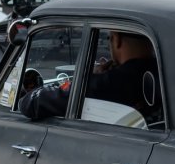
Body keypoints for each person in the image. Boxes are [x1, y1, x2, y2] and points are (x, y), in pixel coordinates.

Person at [21, 30, 161, 125]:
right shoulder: (163, 72)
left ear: (116, 39)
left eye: (109, 39)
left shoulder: (109, 82)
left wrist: (90, 77)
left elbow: (30, 103)